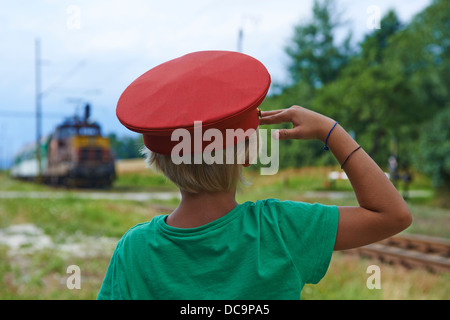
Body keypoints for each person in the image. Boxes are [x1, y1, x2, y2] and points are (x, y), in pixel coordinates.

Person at [97, 51, 411, 300]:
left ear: (156, 159)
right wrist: (331, 131)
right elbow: (392, 214)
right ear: (248, 153)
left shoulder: (134, 251)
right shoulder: (280, 230)